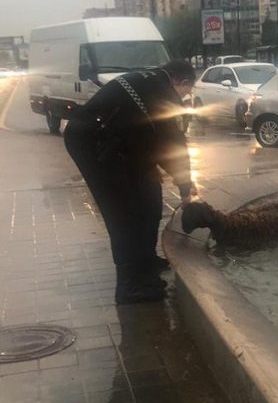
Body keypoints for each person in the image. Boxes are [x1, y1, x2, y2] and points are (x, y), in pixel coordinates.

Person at [64, 59, 197, 304]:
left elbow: (154, 142)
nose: (187, 96)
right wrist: (186, 187)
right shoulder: (163, 93)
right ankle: (128, 286)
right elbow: (173, 144)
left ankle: (146, 259)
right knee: (123, 212)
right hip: (94, 146)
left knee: (150, 197)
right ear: (182, 82)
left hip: (122, 144)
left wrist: (182, 180)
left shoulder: (149, 80)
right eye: (188, 90)